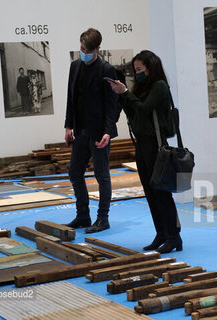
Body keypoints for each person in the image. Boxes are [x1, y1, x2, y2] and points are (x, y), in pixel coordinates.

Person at [107, 50, 182, 254]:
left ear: (151, 67)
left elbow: (144, 109)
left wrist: (125, 94)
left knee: (161, 191)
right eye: (135, 69)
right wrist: (121, 95)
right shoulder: (141, 87)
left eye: (139, 69)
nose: (137, 73)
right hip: (142, 144)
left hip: (156, 145)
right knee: (150, 192)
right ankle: (161, 233)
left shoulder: (159, 86)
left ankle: (174, 236)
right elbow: (133, 111)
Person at [64, 28, 119, 233]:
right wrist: (68, 125)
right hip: (80, 129)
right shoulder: (75, 66)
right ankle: (83, 215)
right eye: (81, 48)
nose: (82, 52)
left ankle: (103, 218)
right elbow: (71, 99)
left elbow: (112, 104)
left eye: (86, 49)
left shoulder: (106, 70)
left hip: (98, 132)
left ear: (97, 49)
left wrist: (108, 131)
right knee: (74, 171)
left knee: (101, 175)